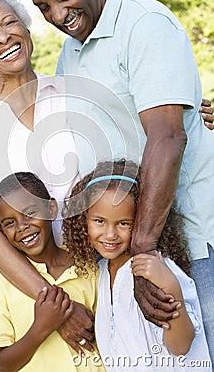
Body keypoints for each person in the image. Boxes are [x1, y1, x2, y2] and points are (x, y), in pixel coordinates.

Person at [18, 0, 214, 360]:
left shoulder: (144, 25)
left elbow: (167, 136)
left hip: (191, 243)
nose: (57, 14)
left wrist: (144, 254)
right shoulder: (70, 53)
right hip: (129, 250)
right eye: (43, 7)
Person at [0, 0, 96, 353]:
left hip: (95, 275)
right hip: (28, 292)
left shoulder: (69, 92)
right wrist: (57, 306)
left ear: (26, 28)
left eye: (9, 22)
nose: (2, 38)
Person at [62, 159, 212, 371]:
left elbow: (181, 346)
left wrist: (171, 287)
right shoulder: (102, 272)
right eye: (99, 221)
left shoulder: (156, 269)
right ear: (82, 219)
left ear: (141, 222)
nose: (110, 234)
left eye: (124, 223)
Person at [0, 171, 105, 371]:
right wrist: (41, 328)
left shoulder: (87, 265)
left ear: (52, 209)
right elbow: (3, 365)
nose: (21, 227)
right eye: (9, 223)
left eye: (30, 213)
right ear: (1, 231)